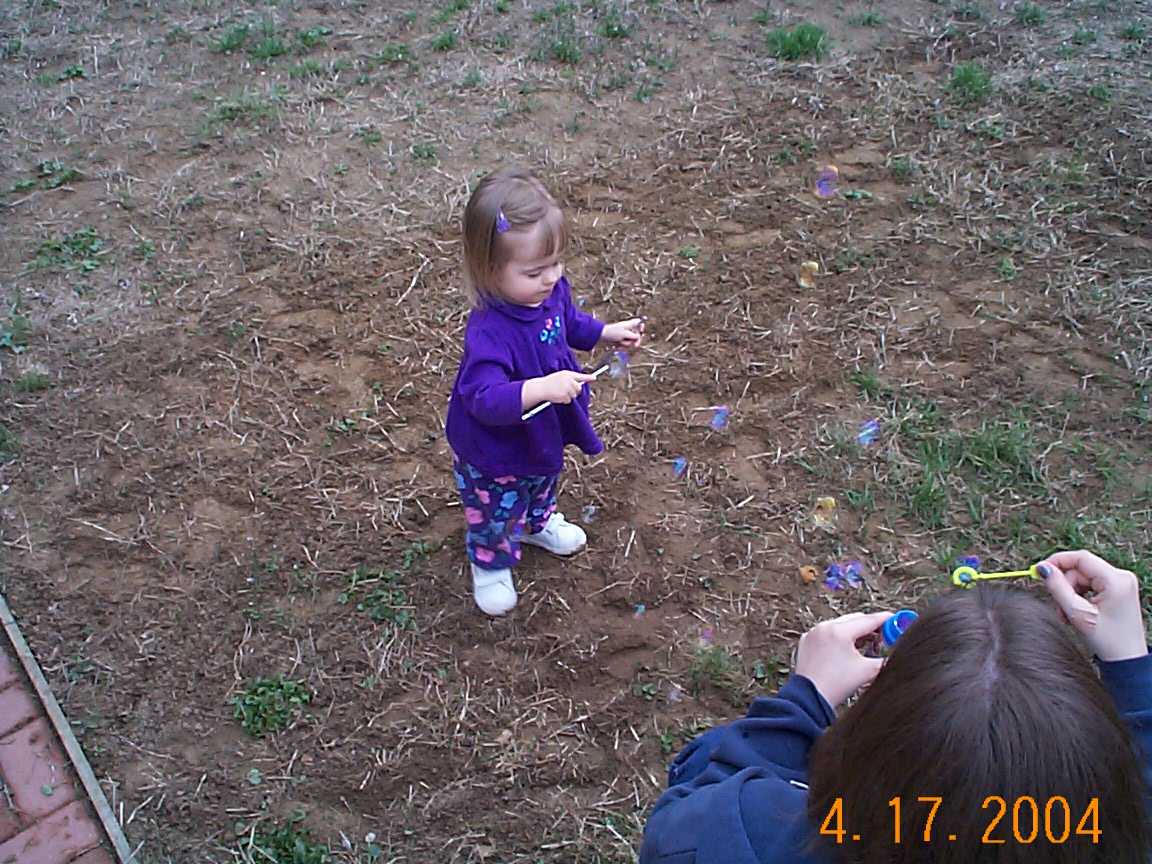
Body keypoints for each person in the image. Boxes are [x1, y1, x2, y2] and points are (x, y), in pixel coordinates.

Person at [639, 550, 1152, 864]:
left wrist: (800, 703)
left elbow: (689, 811)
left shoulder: (760, 836)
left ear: (870, 752)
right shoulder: (1118, 828)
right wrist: (1131, 670)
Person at [445, 166, 644, 616]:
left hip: (540, 427)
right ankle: (490, 562)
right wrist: (540, 387)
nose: (551, 277)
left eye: (556, 263)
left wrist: (605, 332)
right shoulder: (489, 331)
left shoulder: (548, 291)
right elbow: (483, 399)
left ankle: (537, 522)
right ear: (489, 270)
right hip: (494, 446)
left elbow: (567, 321)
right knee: (495, 507)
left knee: (541, 477)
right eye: (535, 270)